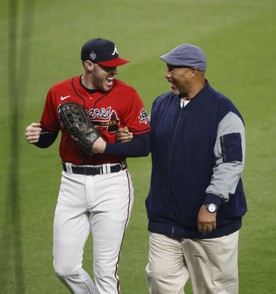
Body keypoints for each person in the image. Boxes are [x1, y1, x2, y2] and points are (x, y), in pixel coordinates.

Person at [24, 38, 150, 293]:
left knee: (105, 272)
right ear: (89, 65)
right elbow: (48, 134)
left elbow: (145, 144)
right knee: (65, 267)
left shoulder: (128, 94)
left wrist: (110, 147)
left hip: (112, 185)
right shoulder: (58, 92)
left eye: (116, 66)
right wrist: (37, 137)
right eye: (108, 67)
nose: (114, 72)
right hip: (71, 185)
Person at [144, 44, 247, 294]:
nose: (166, 74)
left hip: (210, 224)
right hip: (165, 222)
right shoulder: (161, 105)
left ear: (193, 71)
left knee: (214, 289)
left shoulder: (223, 111)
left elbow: (231, 163)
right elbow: (147, 141)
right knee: (160, 282)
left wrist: (211, 204)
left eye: (172, 69)